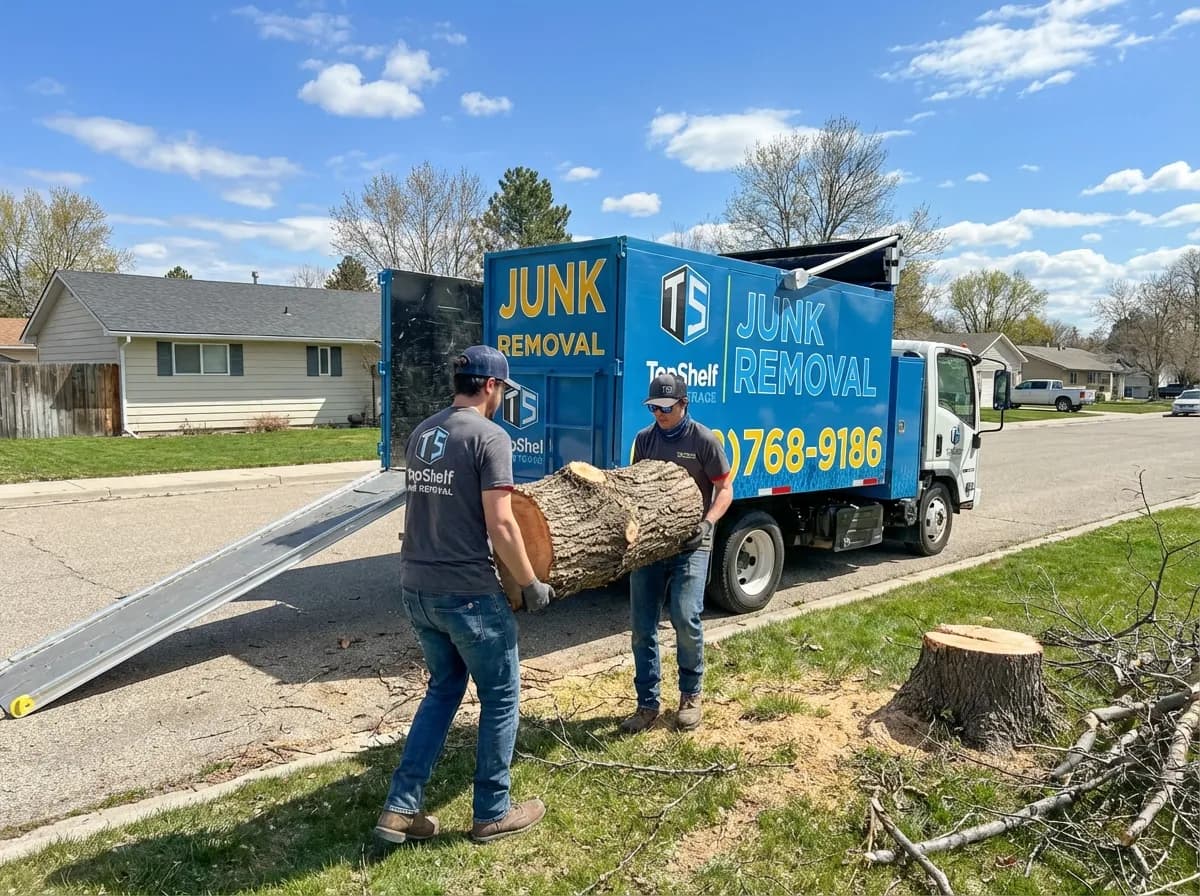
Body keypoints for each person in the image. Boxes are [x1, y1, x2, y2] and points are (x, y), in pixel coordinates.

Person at [375, 345, 555, 846]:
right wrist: (530, 584)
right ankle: (492, 813)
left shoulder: (422, 433)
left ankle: (400, 808)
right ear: (493, 386)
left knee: (444, 687)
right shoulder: (490, 437)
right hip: (468, 594)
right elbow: (500, 522)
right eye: (503, 390)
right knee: (500, 695)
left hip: (417, 588)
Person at [620, 373, 732, 734]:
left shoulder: (703, 440)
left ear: (684, 404)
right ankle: (647, 703)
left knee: (686, 617)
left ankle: (690, 695)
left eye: (667, 407)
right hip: (652, 547)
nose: (660, 413)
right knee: (641, 627)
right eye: (654, 407)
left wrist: (707, 523)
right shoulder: (645, 440)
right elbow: (637, 486)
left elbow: (725, 488)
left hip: (691, 546)